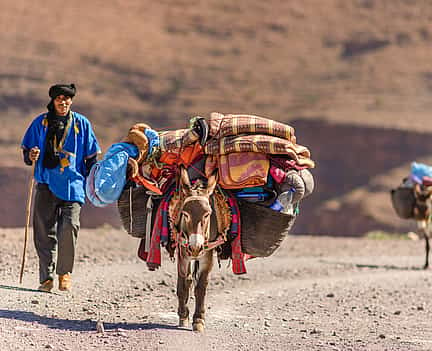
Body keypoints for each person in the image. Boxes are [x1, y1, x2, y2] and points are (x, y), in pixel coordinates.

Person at [21, 83, 100, 292]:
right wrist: (32, 155)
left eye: (66, 99)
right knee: (44, 231)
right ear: (53, 100)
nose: (63, 102)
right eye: (59, 99)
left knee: (69, 227)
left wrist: (91, 180)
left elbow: (92, 156)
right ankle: (46, 278)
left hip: (73, 185)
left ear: (71, 101)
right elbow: (27, 150)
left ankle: (64, 273)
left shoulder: (82, 123)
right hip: (46, 182)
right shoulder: (41, 122)